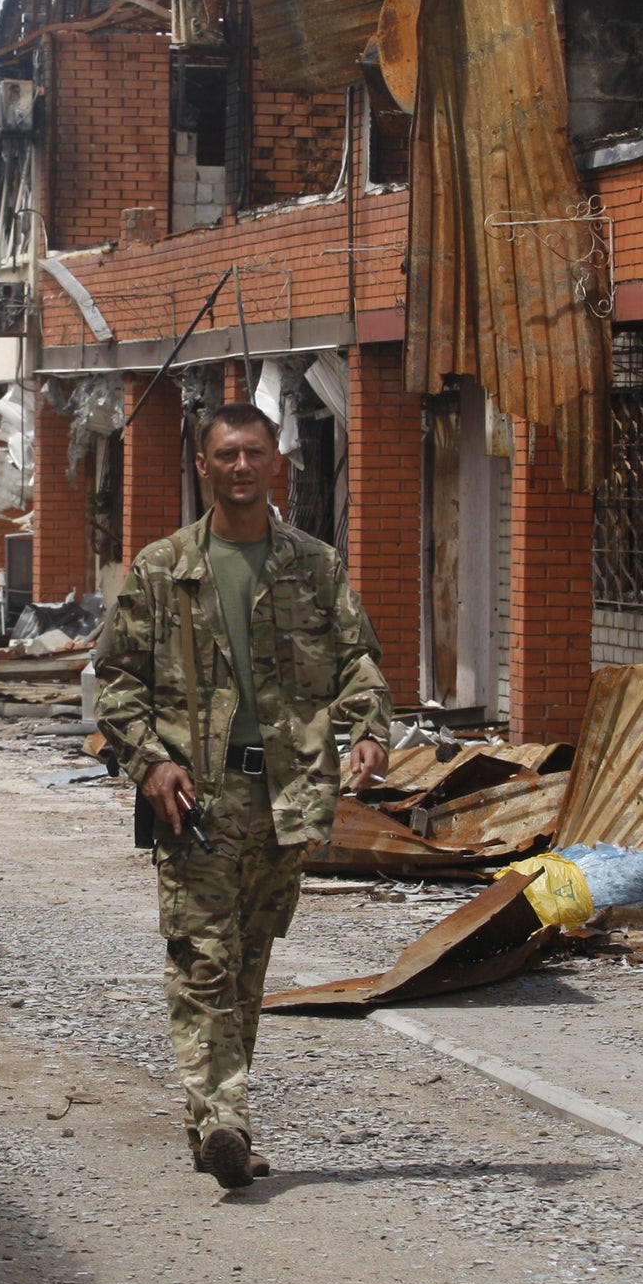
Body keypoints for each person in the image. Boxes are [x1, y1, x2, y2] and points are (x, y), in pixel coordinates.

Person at [94, 400, 391, 1190]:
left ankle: (212, 1124)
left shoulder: (314, 567)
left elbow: (358, 661)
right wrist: (151, 765)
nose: (240, 467)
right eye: (225, 454)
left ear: (274, 463)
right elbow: (116, 683)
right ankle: (226, 1118)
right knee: (203, 963)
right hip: (195, 800)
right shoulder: (161, 571)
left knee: (248, 965)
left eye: (254, 452)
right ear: (202, 465)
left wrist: (368, 730)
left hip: (285, 798)